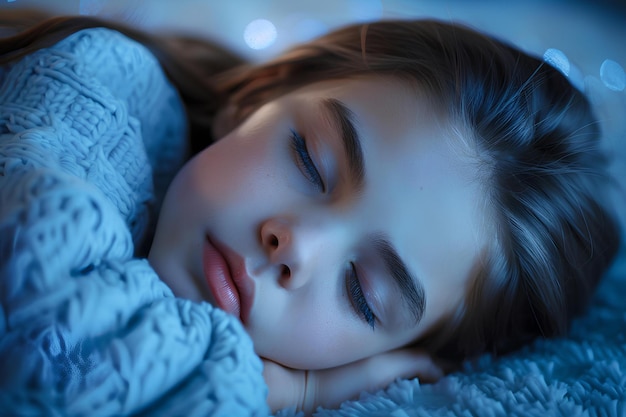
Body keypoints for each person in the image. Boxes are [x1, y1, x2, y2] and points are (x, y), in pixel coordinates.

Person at [0, 10, 620, 413]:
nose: (295, 244)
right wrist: (291, 393)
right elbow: (48, 357)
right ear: (255, 99)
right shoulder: (91, 90)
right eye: (309, 159)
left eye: (362, 291)